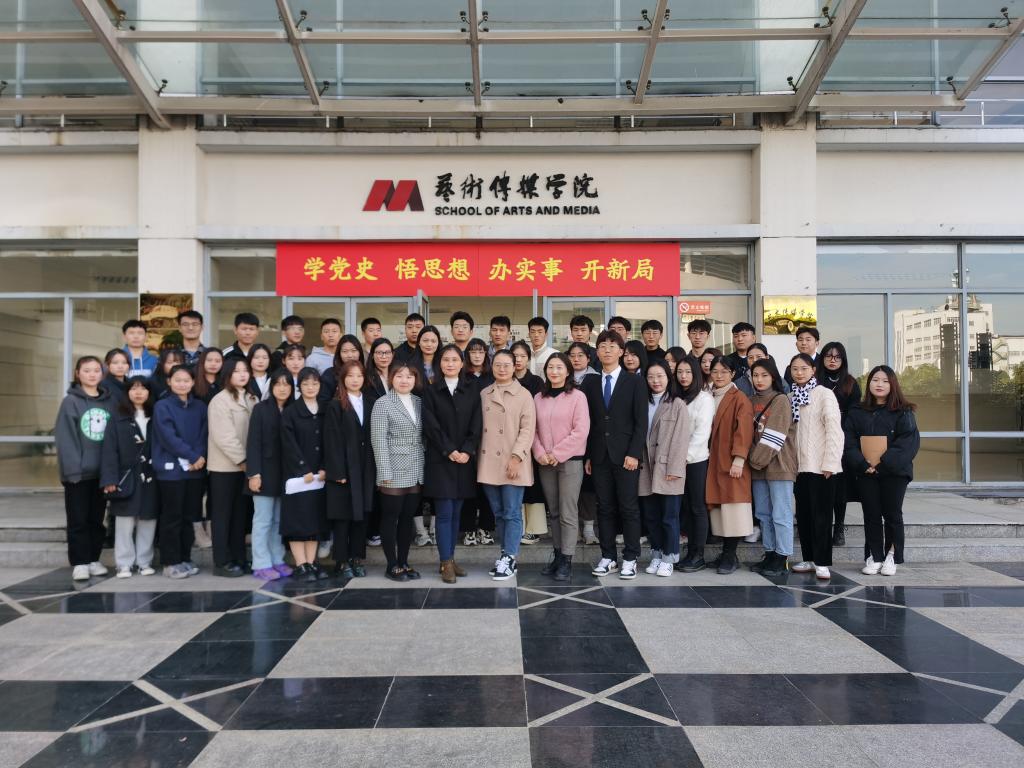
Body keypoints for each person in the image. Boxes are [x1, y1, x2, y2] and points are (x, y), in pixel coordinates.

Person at [581, 330, 647, 579]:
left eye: (612, 346)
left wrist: (634, 453)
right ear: (596, 352)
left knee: (628, 507)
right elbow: (588, 422)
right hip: (599, 456)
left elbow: (641, 422)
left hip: (626, 456)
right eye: (602, 346)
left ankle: (630, 557)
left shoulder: (634, 381)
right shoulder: (589, 382)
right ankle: (608, 556)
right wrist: (588, 455)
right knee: (605, 508)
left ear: (621, 352)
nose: (607, 350)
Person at [844, 366, 920, 577]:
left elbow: (908, 443)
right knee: (871, 514)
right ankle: (874, 556)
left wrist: (883, 465)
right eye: (875, 380)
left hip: (894, 473)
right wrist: (862, 464)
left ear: (892, 384)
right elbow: (848, 441)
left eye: (885, 381)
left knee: (892, 514)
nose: (879, 384)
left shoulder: (903, 412)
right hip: (865, 471)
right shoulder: (857, 411)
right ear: (869, 383)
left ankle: (892, 556)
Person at [422, 345, 482, 583]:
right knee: (445, 513)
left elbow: (477, 422)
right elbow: (431, 425)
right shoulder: (431, 390)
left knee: (457, 512)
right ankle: (445, 561)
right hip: (440, 459)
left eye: (454, 360)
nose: (450, 364)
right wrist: (449, 450)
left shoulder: (472, 388)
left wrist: (467, 450)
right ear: (440, 363)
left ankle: (451, 558)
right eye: (445, 359)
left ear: (462, 363)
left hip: (464, 460)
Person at [478, 349, 536, 581]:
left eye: (506, 365)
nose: (502, 369)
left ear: (515, 367)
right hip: (489, 462)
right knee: (499, 512)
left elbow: (527, 430)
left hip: (514, 462)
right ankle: (504, 554)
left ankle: (510, 557)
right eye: (498, 364)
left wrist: (516, 457)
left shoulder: (524, 395)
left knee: (512, 512)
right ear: (492, 367)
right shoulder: (484, 393)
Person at [55, 356, 115, 581]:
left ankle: (93, 559)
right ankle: (80, 562)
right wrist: (73, 471)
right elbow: (65, 439)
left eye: (96, 370)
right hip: (78, 474)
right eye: (87, 370)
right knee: (78, 519)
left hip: (102, 473)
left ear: (102, 374)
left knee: (96, 520)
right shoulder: (70, 402)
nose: (92, 374)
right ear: (78, 374)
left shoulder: (109, 401)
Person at [533, 353, 589, 581]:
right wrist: (540, 453)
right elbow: (533, 429)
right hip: (545, 462)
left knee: (567, 511)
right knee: (554, 511)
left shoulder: (577, 396)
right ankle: (557, 556)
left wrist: (557, 453)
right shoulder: (539, 397)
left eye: (559, 367)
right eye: (550, 367)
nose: (554, 371)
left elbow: (581, 430)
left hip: (570, 461)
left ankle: (567, 559)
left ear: (567, 372)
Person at [788, 353, 844, 580]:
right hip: (798, 467)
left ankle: (822, 561)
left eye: (803, 368)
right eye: (794, 369)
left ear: (813, 370)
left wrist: (830, 462)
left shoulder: (824, 394)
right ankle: (809, 558)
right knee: (803, 516)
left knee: (821, 516)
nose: (799, 372)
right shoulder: (791, 396)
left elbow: (834, 430)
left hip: (821, 467)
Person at [371, 363, 425, 582]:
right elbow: (378, 439)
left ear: (415, 380)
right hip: (392, 469)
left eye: (409, 376)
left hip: (416, 467)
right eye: (399, 376)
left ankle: (404, 562)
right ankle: (391, 564)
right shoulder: (382, 403)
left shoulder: (419, 402)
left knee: (407, 517)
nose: (404, 380)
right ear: (391, 378)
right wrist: (384, 471)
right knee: (390, 517)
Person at [152, 364, 207, 579]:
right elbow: (168, 437)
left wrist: (199, 456)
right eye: (177, 380)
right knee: (172, 517)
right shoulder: (162, 406)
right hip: (171, 471)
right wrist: (192, 456)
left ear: (193, 382)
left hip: (195, 471)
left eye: (186, 380)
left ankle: (185, 558)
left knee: (189, 517)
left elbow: (204, 434)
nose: (182, 384)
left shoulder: (200, 407)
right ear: (169, 382)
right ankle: (170, 562)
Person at [100, 378, 158, 578]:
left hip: (151, 475)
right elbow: (109, 450)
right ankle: (124, 564)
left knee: (148, 520)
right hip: (126, 476)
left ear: (149, 392)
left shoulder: (156, 415)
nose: (138, 392)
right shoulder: (117, 417)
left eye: (143, 388)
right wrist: (109, 479)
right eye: (134, 388)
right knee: (124, 522)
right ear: (127, 393)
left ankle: (144, 562)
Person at [324, 361, 377, 579]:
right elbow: (331, 440)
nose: (355, 380)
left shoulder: (371, 402)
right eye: (350, 376)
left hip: (366, 468)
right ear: (343, 379)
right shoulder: (335, 404)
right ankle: (341, 560)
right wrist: (337, 472)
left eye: (359, 376)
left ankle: (356, 558)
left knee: (361, 516)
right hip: (344, 470)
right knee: (343, 518)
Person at [638, 359, 691, 577]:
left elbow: (681, 439)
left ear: (668, 378)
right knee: (651, 516)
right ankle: (657, 554)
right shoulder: (643, 402)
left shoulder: (677, 404)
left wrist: (675, 469)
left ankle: (669, 557)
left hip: (668, 467)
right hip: (646, 468)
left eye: (660, 376)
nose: (655, 381)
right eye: (651, 377)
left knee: (669, 517)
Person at [207, 357, 257, 578]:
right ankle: (222, 561)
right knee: (223, 516)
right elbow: (224, 437)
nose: (242, 374)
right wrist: (244, 461)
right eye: (237, 371)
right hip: (225, 468)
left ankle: (239, 557)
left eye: (245, 370)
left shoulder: (252, 398)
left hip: (246, 468)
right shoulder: (220, 400)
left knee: (240, 516)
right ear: (228, 374)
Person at [747, 359, 797, 578]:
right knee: (763, 513)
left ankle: (782, 556)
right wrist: (753, 460)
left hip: (779, 465)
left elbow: (775, 436)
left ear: (773, 377)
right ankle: (769, 553)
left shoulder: (781, 400)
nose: (759, 379)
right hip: (757, 468)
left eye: (764, 375)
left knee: (781, 513)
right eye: (755, 375)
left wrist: (753, 460)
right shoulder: (749, 400)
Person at [705, 355, 754, 575]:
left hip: (731, 461)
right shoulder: (707, 395)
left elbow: (744, 431)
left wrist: (739, 460)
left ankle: (730, 555)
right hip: (712, 460)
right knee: (719, 509)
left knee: (733, 507)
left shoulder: (739, 398)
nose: (719, 376)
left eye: (724, 372)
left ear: (733, 374)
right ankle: (726, 553)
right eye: (715, 371)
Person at [280, 367, 329, 581]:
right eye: (306, 383)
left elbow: (331, 440)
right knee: (297, 520)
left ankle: (312, 562)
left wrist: (325, 467)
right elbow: (288, 444)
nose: (310, 387)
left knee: (315, 519)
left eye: (315, 383)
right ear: (299, 386)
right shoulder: (291, 411)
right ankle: (301, 564)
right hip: (298, 475)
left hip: (320, 476)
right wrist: (303, 469)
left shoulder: (325, 408)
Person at [246, 370, 294, 581]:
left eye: (286, 384)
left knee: (278, 521)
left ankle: (277, 559)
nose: (282, 388)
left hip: (286, 475)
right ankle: (260, 563)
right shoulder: (261, 409)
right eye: (278, 384)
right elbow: (253, 443)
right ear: (271, 387)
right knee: (263, 520)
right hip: (264, 473)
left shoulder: (293, 409)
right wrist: (254, 474)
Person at [816, 341, 862, 546]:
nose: (832, 360)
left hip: (841, 439)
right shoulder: (815, 380)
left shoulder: (850, 383)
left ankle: (839, 527)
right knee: (821, 485)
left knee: (840, 488)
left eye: (837, 357)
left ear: (843, 359)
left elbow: (854, 413)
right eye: (828, 356)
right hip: (818, 437)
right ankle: (822, 527)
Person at [674, 357, 714, 571]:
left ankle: (698, 555)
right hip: (676, 461)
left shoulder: (704, 398)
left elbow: (702, 433)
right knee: (686, 507)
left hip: (696, 460)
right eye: (680, 372)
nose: (683, 376)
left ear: (696, 374)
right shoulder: (675, 396)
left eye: (688, 372)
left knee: (697, 508)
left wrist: (685, 458)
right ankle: (690, 553)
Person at [318, 334, 363, 408]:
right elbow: (323, 403)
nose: (350, 355)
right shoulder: (329, 374)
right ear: (339, 353)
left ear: (360, 352)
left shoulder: (366, 373)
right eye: (345, 351)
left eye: (354, 351)